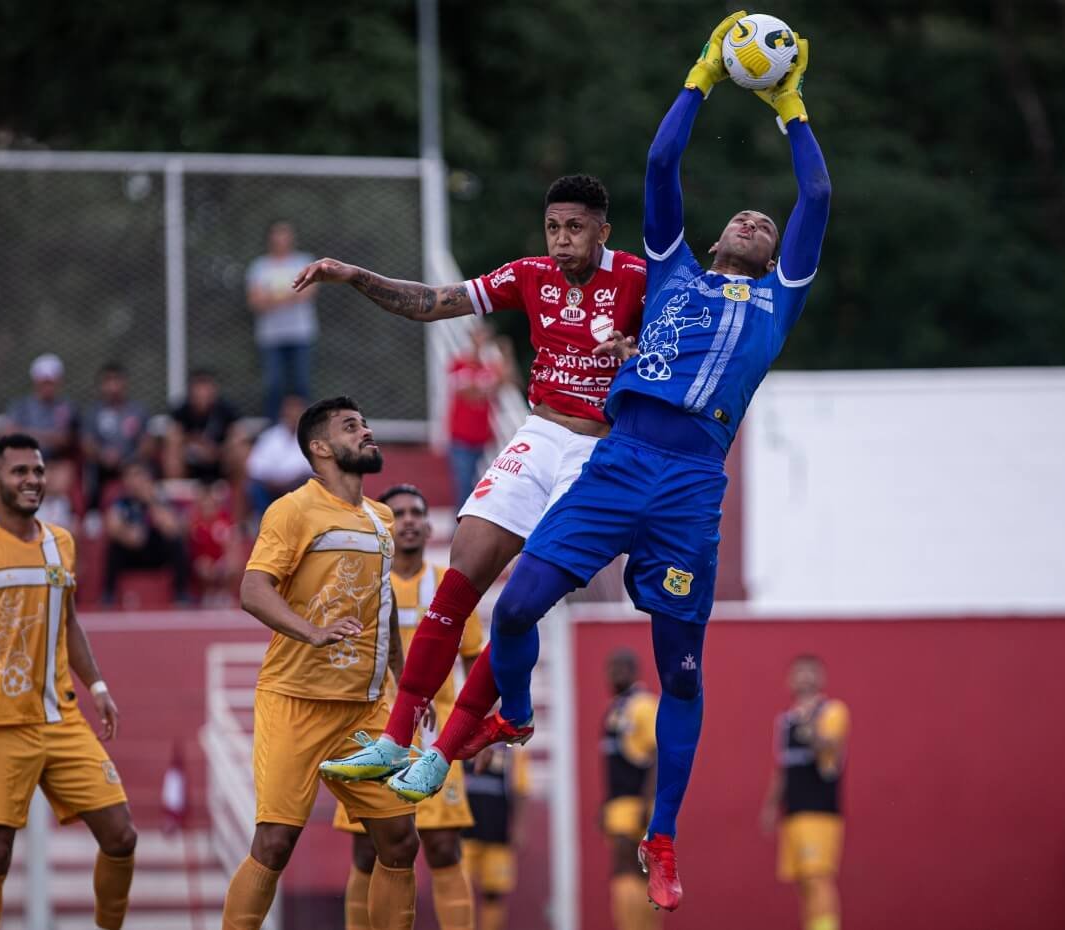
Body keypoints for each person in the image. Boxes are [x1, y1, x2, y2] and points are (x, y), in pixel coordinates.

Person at [398, 13, 830, 911]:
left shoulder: (782, 297)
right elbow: (663, 167)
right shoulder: (671, 272)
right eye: (742, 217)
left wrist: (790, 108)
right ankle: (511, 709)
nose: (758, 218)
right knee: (514, 606)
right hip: (620, 460)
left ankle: (663, 833)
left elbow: (816, 198)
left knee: (680, 671)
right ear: (712, 242)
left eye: (766, 219)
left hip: (691, 487)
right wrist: (704, 74)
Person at [294, 174, 646, 794]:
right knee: (461, 575)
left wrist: (637, 353)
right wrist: (357, 277)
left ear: (602, 231)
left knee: (521, 602)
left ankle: (445, 751)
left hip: (599, 450)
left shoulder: (640, 279)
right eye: (554, 228)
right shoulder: (528, 274)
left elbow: (682, 353)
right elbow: (432, 301)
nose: (562, 241)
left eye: (576, 229)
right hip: (536, 435)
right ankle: (394, 738)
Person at [0, 434, 137, 930]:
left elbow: (69, 622)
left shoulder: (59, 541)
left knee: (121, 836)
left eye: (38, 471)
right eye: (20, 471)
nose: (32, 480)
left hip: (60, 720)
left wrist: (99, 687)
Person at [223, 396, 418, 930]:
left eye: (365, 422)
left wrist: (407, 687)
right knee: (276, 840)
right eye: (351, 426)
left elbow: (386, 603)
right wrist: (312, 632)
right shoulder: (292, 509)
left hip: (365, 709)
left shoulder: (381, 517)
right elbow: (252, 589)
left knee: (400, 840)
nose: (366, 431)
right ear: (320, 447)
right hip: (296, 701)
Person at [330, 484, 483, 930]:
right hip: (375, 732)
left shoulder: (451, 587)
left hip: (436, 739)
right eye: (399, 514)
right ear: (383, 527)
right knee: (366, 848)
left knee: (442, 847)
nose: (411, 519)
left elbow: (475, 663)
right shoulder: (360, 588)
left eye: (418, 511)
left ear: (429, 526)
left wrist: (477, 729)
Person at [759, 656, 850, 930]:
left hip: (820, 809)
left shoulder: (832, 711)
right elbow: (783, 766)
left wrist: (808, 723)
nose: (805, 678)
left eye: (811, 673)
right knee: (802, 882)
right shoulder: (785, 720)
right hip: (794, 810)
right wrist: (771, 805)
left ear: (821, 678)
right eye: (799, 673)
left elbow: (829, 747)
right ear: (789, 680)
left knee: (818, 877)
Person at [600, 649, 660, 930]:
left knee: (629, 867)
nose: (616, 673)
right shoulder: (616, 708)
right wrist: (606, 804)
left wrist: (649, 804)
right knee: (634, 870)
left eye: (622, 667)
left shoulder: (643, 705)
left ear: (635, 671)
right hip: (619, 802)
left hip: (637, 801)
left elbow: (659, 754)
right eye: (612, 668)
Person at [248, 220, 318, 422]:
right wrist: (291, 295)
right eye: (277, 235)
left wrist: (272, 297)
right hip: (271, 336)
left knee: (301, 384)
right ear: (270, 239)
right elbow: (255, 301)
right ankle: (273, 430)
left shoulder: (304, 262)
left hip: (300, 333)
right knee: (273, 386)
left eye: (284, 235)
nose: (281, 240)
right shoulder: (260, 267)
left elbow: (309, 292)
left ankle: (306, 427)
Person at [102, 460, 192, 606]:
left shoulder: (160, 498)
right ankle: (108, 594)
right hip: (131, 550)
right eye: (130, 477)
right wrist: (126, 535)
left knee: (176, 543)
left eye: (138, 476)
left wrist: (150, 502)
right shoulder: (121, 502)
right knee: (114, 548)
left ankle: (181, 593)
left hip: (155, 552)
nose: (134, 481)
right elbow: (112, 526)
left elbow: (172, 528)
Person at [462, 743, 531, 930]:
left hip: (497, 831)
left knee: (494, 892)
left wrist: (518, 827)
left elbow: (520, 790)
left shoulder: (513, 746)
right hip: (462, 831)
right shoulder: (462, 736)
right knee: (459, 890)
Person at [81, 362, 151, 513]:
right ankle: (93, 513)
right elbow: (87, 443)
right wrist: (102, 455)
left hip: (130, 463)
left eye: (116, 380)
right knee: (90, 471)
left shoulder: (137, 411)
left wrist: (128, 459)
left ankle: (140, 512)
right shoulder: (93, 412)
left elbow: (147, 443)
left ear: (124, 383)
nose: (113, 386)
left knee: (138, 472)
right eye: (108, 381)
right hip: (101, 465)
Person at [447, 325, 505, 507]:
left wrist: (506, 355)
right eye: (477, 337)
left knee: (484, 486)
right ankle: (459, 530)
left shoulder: (488, 368)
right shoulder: (459, 364)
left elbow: (505, 382)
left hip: (483, 436)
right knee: (464, 487)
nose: (481, 342)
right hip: (461, 435)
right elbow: (468, 392)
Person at [164, 369, 241, 483]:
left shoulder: (226, 410)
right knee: (172, 451)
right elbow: (173, 436)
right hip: (190, 458)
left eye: (206, 389)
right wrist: (193, 444)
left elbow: (238, 435)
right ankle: (178, 492)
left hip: (220, 458)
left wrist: (218, 451)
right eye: (198, 389)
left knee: (241, 450)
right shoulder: (181, 411)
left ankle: (238, 495)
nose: (202, 394)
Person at [246, 392, 313, 521]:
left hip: (299, 486)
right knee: (253, 487)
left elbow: (314, 468)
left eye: (297, 409)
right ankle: (265, 523)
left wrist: (291, 482)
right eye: (290, 408)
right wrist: (273, 482)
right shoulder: (270, 436)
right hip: (271, 487)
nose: (293, 413)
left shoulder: (313, 438)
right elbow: (254, 466)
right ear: (283, 412)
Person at [1, 353, 78, 462]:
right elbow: (7, 434)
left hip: (54, 463)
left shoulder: (67, 408)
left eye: (50, 382)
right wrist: (47, 437)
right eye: (44, 382)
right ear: (35, 381)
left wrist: (23, 433)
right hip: (23, 460)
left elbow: (62, 440)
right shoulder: (20, 406)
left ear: (59, 382)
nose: (47, 387)